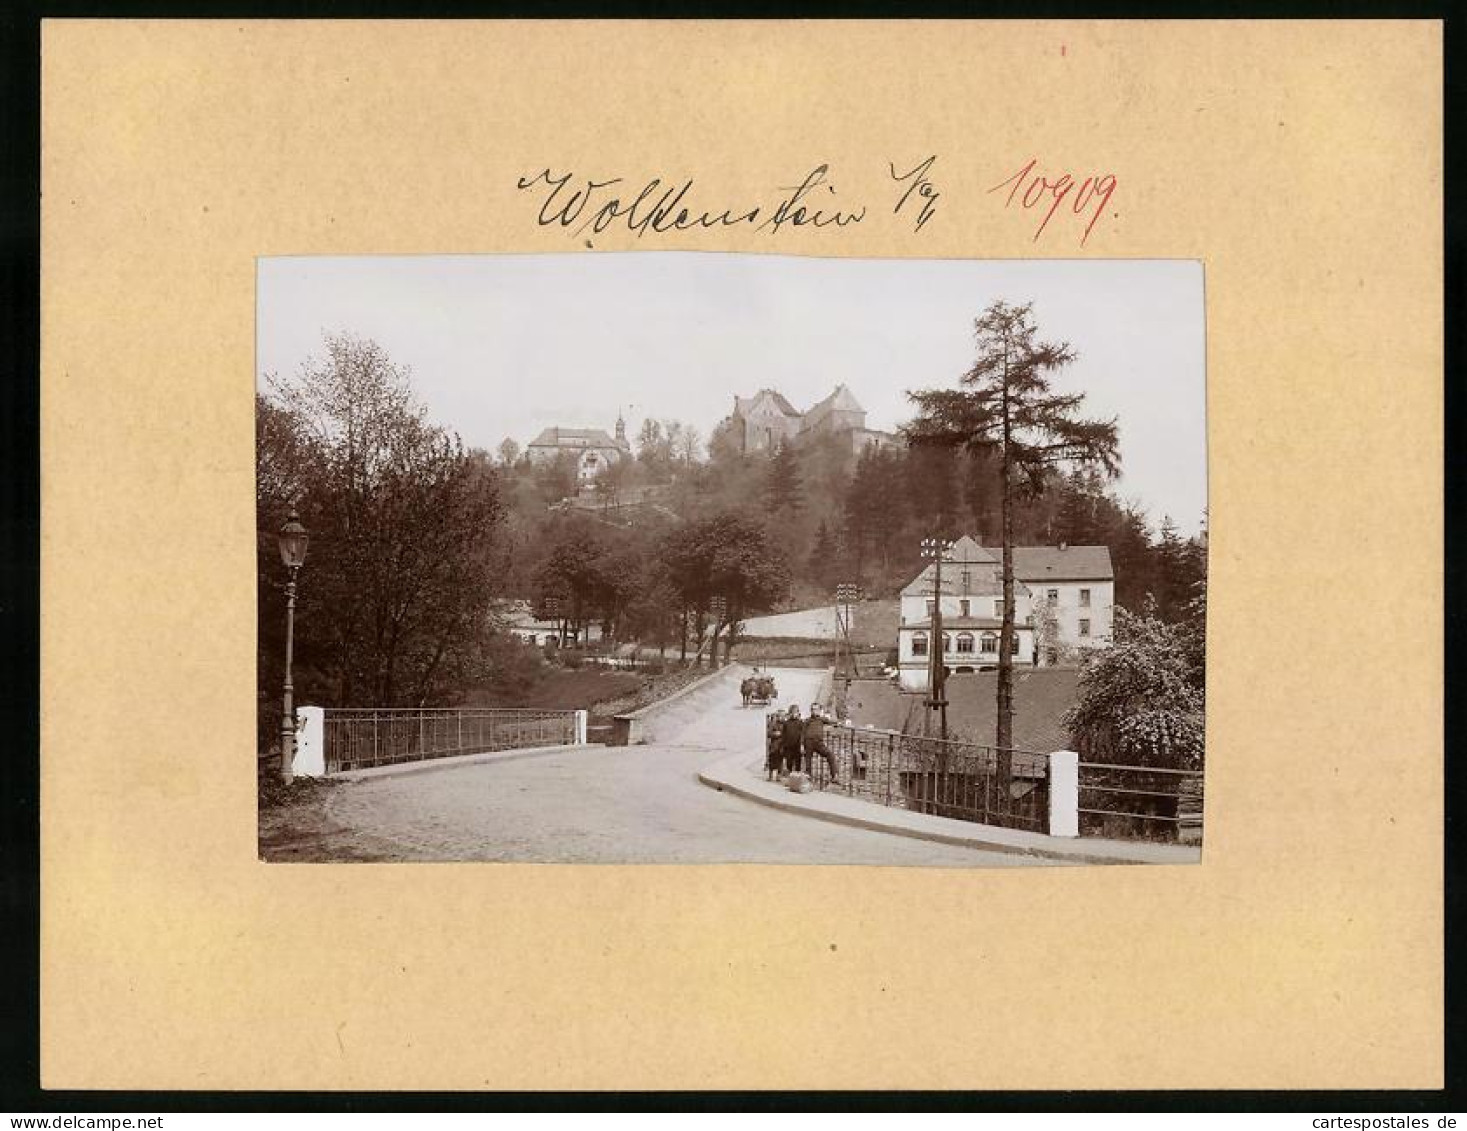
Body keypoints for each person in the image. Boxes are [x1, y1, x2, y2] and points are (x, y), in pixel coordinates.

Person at [804, 704, 839, 787]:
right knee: (808, 759)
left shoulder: (821, 719)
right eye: (812, 709)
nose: (814, 711)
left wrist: (837, 723)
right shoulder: (807, 721)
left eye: (816, 709)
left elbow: (831, 721)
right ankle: (808, 779)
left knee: (830, 754)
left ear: (819, 710)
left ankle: (834, 775)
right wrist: (802, 745)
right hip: (808, 742)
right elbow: (803, 733)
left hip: (819, 743)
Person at [780, 705, 805, 776]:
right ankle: (790, 779)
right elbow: (783, 735)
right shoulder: (786, 723)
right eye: (792, 712)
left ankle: (797, 780)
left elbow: (802, 734)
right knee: (789, 763)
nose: (794, 714)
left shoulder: (800, 723)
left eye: (795, 712)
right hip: (788, 747)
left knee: (798, 764)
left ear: (798, 713)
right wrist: (783, 746)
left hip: (797, 746)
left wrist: (802, 744)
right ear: (790, 713)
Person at [765, 709, 785, 780]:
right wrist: (775, 734)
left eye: (782, 716)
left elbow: (787, 733)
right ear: (777, 716)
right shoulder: (773, 724)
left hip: (782, 745)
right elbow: (769, 733)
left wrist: (781, 734)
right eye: (779, 716)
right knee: (772, 759)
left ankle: (778, 776)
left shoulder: (785, 724)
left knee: (780, 760)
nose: (781, 717)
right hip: (774, 744)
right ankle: (770, 775)